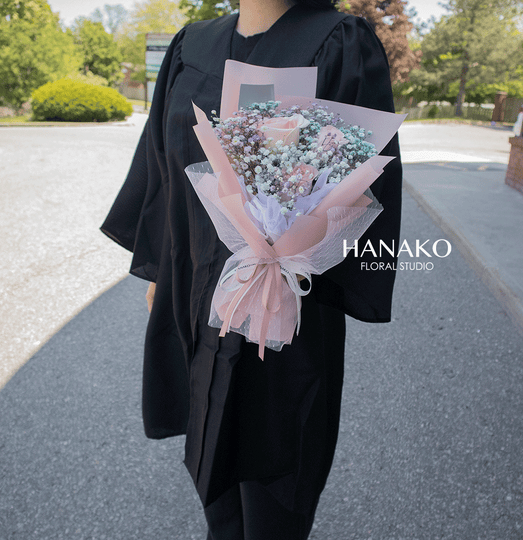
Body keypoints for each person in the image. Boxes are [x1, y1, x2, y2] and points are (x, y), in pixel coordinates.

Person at [101, 0, 402, 538]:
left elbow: (363, 187)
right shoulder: (191, 45)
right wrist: (157, 273)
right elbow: (160, 169)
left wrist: (290, 264)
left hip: (284, 318)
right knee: (213, 486)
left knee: (273, 496)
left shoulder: (338, 42)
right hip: (195, 299)